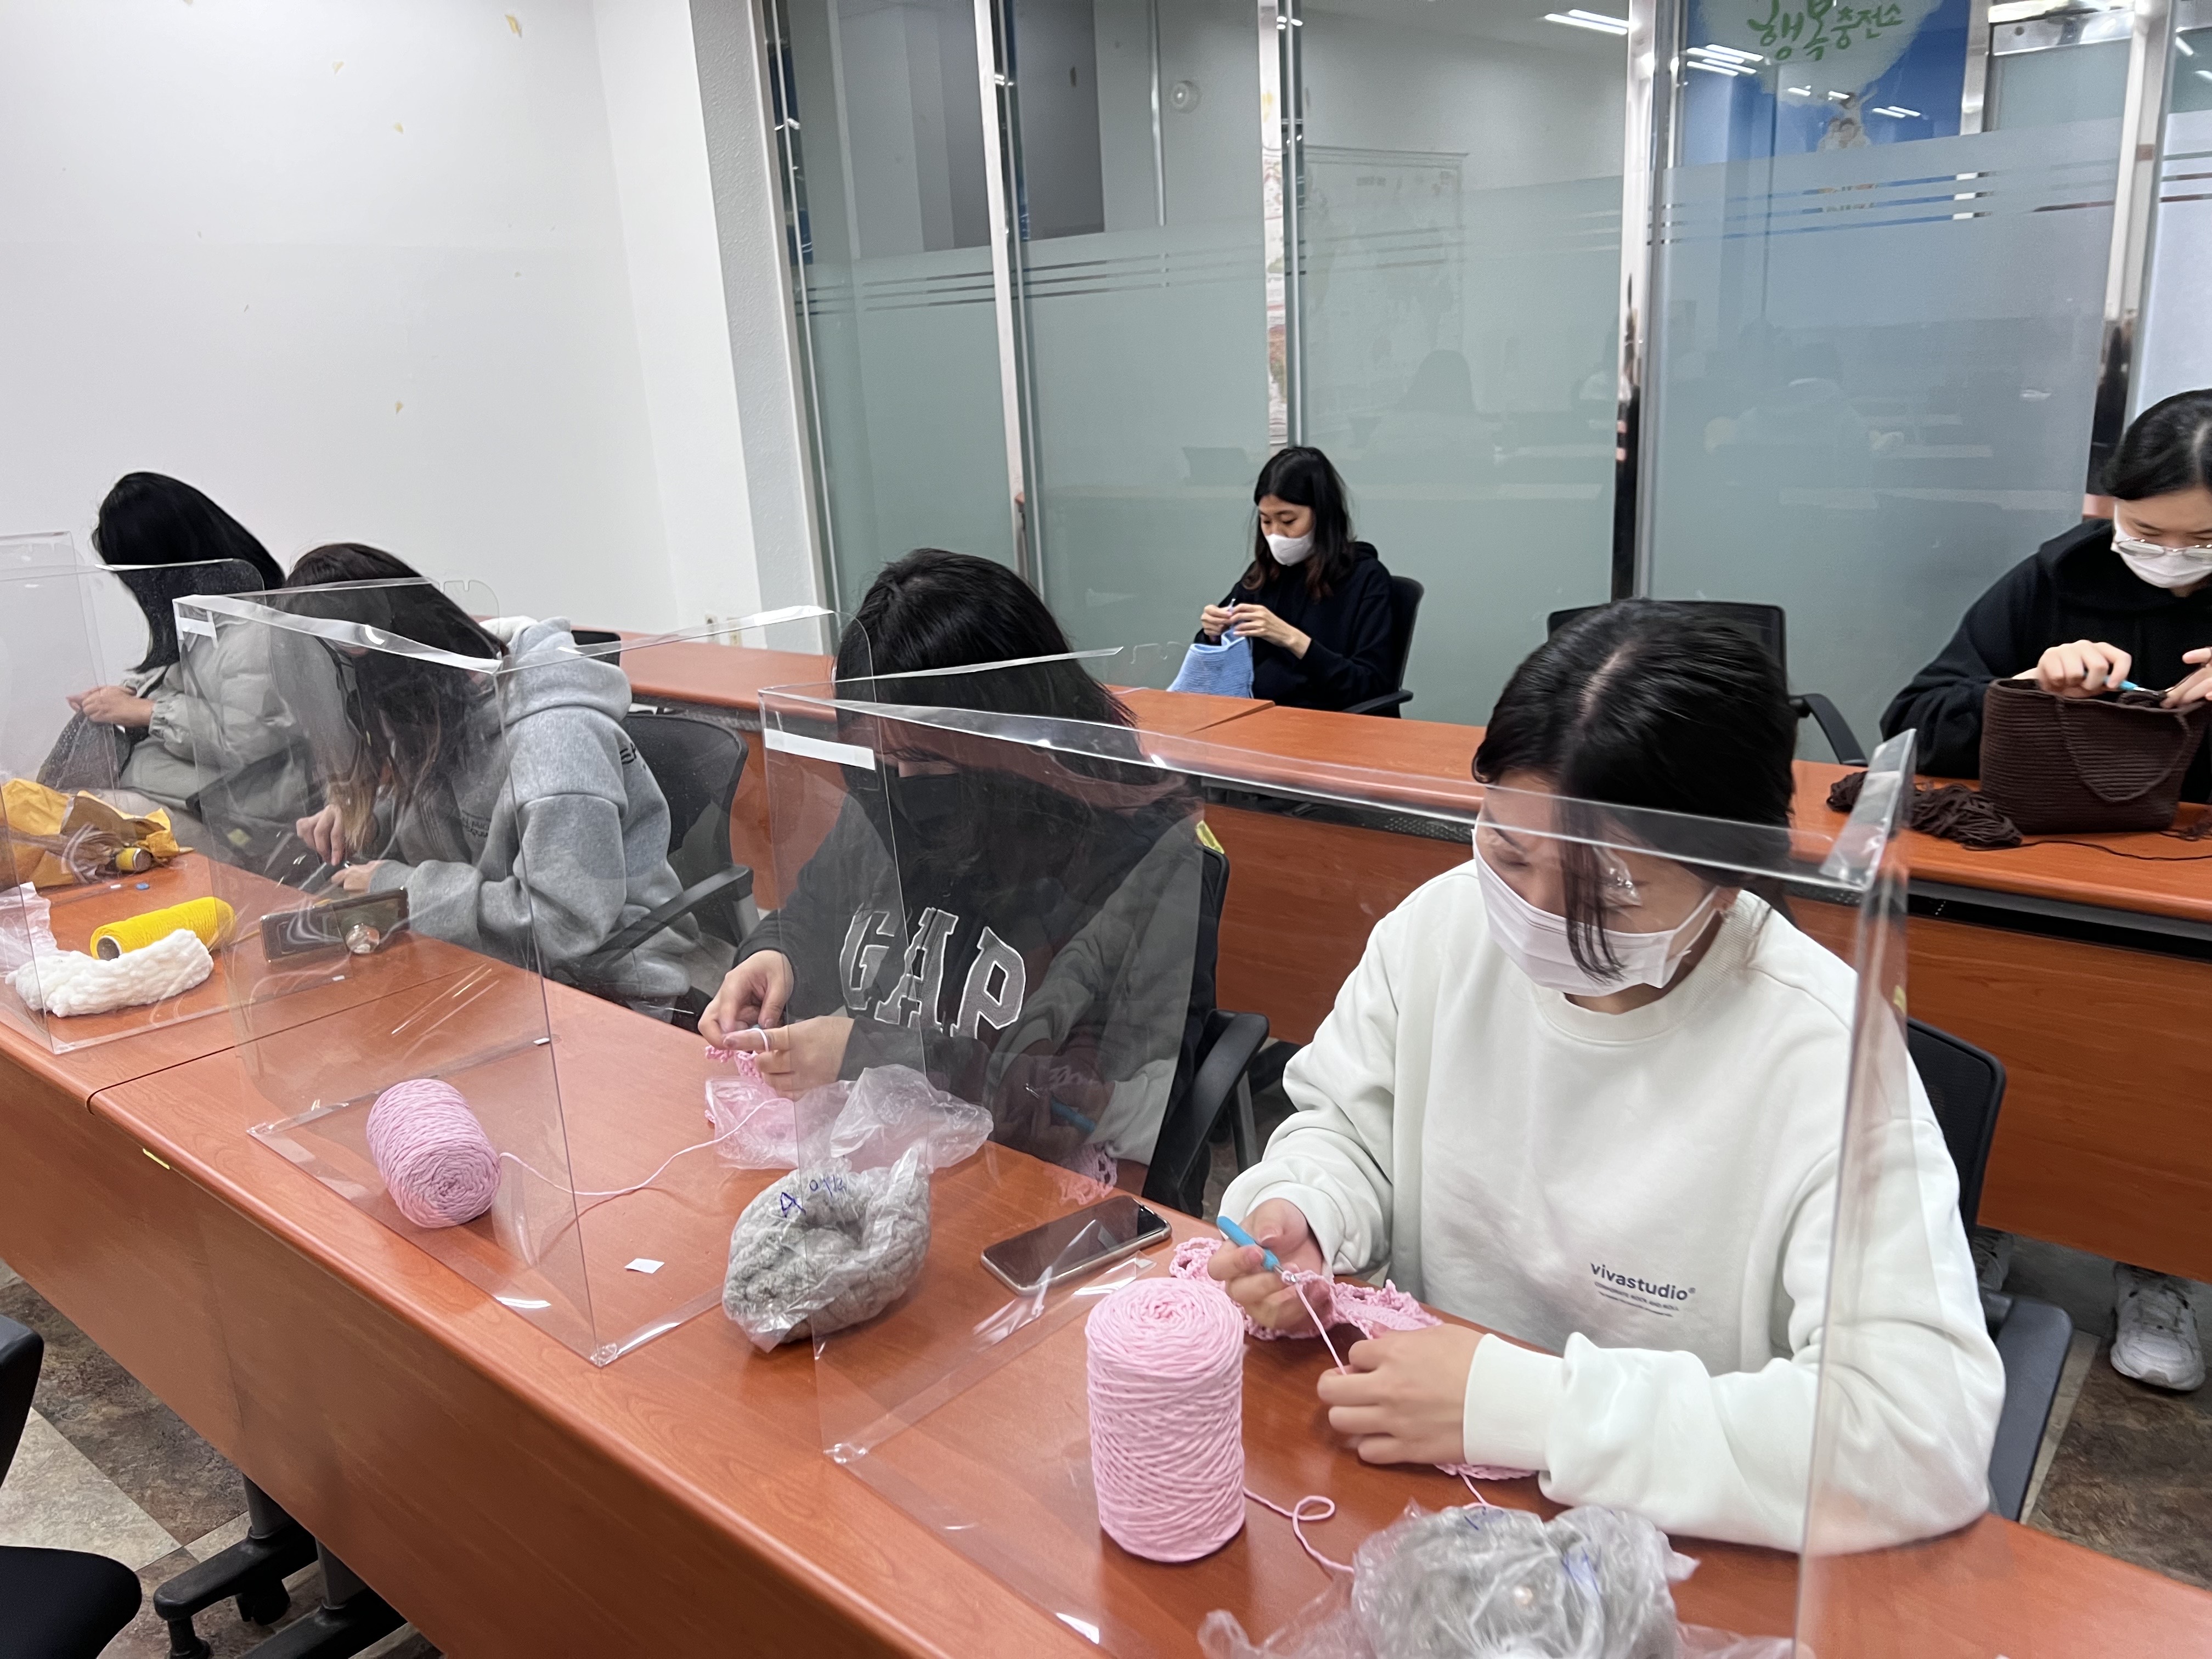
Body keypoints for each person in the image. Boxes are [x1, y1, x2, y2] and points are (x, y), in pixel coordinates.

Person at [1210, 601, 2002, 1551]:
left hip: (1680, 1539)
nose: (1541, 914)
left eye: (1611, 891)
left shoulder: (1823, 1050)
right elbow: (1346, 1126)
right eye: (1510, 853)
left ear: (1731, 875)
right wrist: (1311, 1208)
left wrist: (1531, 1410)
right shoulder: (1441, 929)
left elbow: (1918, 1431)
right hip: (1423, 1497)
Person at [1884, 388, 2212, 1395]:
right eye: (2143, 531)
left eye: (2200, 540)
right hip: (2041, 875)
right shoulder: (2054, 578)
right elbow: (1913, 717)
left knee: (2167, 1058)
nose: (2167, 556)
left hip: (2189, 901)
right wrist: (2024, 687)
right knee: (2010, 1017)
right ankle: (1991, 1215)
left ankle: (2160, 1258)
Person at [701, 548, 1214, 1189]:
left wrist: (862, 1054)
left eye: (928, 760)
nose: (901, 787)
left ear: (1015, 740)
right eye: (880, 759)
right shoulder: (885, 800)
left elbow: (1079, 1099)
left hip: (1029, 1186)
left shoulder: (1140, 858)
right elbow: (809, 915)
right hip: (886, 1168)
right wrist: (773, 956)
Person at [275, 543, 716, 1011]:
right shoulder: (438, 709)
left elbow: (563, 924)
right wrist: (371, 822)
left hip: (600, 990)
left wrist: (399, 889)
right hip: (488, 965)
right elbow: (440, 816)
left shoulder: (556, 739)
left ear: (378, 672)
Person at [60, 473, 295, 849]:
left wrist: (147, 712)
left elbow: (250, 739)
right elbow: (184, 681)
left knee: (67, 820)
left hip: (242, 823)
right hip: (193, 799)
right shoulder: (204, 618)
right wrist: (127, 696)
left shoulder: (252, 630)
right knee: (47, 810)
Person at [1195, 447, 1397, 711]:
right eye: (1266, 522)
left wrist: (1292, 639)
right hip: (1261, 716)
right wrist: (1212, 633)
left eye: (1288, 521)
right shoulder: (1264, 573)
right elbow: (1214, 662)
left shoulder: (1366, 578)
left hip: (1331, 720)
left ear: (1322, 515)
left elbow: (1370, 685)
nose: (1276, 534)